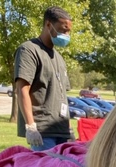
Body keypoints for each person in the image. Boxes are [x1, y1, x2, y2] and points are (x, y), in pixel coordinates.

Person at [14, 6, 73, 151]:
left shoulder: (59, 58)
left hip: (62, 131)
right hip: (43, 132)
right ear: (48, 25)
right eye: (63, 29)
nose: (66, 34)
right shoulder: (29, 50)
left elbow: (62, 96)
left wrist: (69, 129)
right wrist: (31, 127)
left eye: (68, 31)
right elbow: (22, 89)